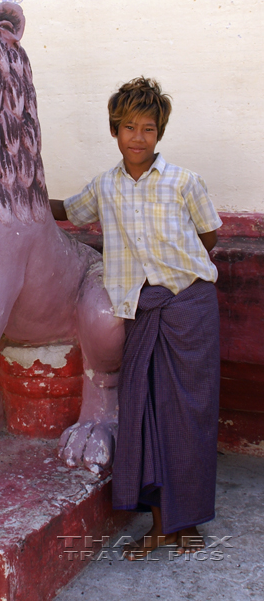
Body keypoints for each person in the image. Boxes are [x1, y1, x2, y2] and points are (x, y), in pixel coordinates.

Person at [50, 76, 222, 559]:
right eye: (129, 127)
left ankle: (182, 524)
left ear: (159, 133)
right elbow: (69, 209)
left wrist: (177, 280)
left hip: (190, 310)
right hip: (143, 311)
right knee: (147, 415)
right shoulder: (104, 187)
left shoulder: (185, 183)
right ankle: (165, 524)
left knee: (190, 418)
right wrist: (18, 198)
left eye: (148, 128)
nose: (138, 137)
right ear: (115, 130)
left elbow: (208, 239)